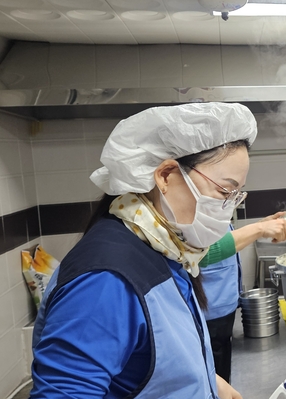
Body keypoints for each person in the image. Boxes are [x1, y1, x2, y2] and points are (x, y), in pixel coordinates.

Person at [30, 102, 257, 399]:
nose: (228, 207)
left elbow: (153, 354)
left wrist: (207, 382)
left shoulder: (164, 248)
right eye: (224, 191)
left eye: (236, 195)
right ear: (166, 175)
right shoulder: (106, 278)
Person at [200, 213, 286, 383]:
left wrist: (261, 225)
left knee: (222, 374)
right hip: (208, 311)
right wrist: (259, 229)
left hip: (221, 307)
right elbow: (204, 252)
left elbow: (221, 237)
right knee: (213, 377)